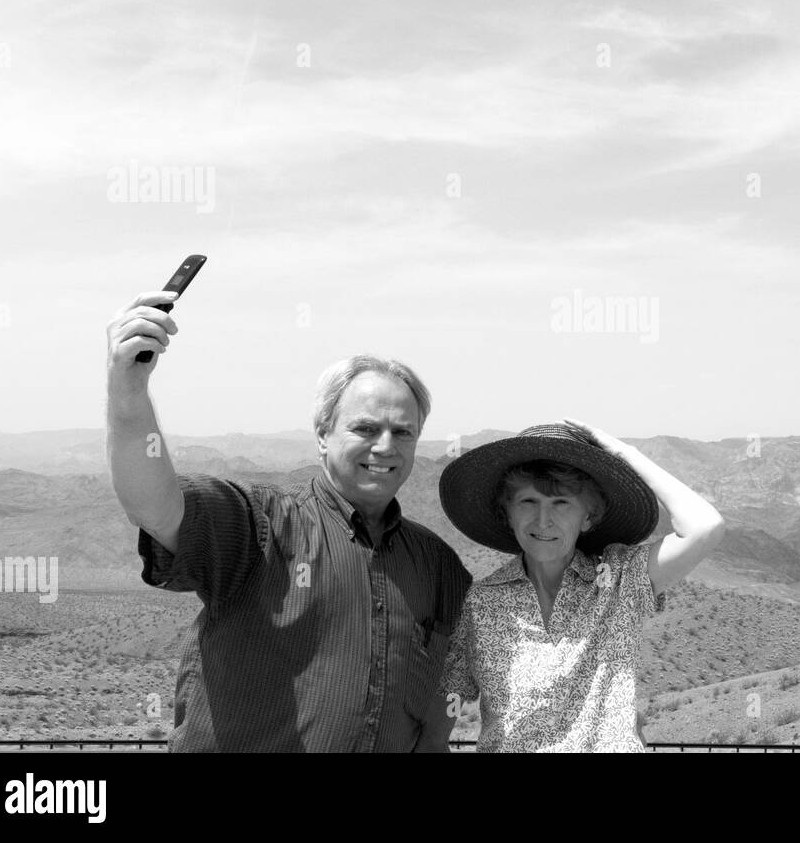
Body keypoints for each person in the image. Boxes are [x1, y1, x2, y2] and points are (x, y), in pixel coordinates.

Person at [105, 289, 470, 751]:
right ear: (322, 433)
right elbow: (155, 506)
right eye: (364, 428)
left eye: (403, 432)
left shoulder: (437, 565)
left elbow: (448, 682)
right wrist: (128, 389)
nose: (385, 447)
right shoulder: (263, 524)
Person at [438, 419, 724, 751]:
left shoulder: (619, 580)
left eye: (562, 504)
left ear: (588, 516)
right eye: (528, 502)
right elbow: (451, 697)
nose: (543, 520)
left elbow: (705, 527)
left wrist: (624, 453)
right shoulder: (480, 603)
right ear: (508, 513)